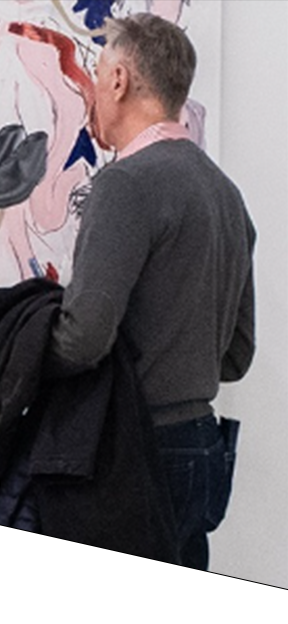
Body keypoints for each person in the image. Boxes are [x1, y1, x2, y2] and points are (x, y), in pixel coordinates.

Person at [46, 13, 253, 570]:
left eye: (97, 73)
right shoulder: (224, 194)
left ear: (118, 80)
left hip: (137, 450)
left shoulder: (125, 185)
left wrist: (23, 354)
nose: (93, 89)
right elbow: (237, 355)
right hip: (202, 447)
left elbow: (83, 338)